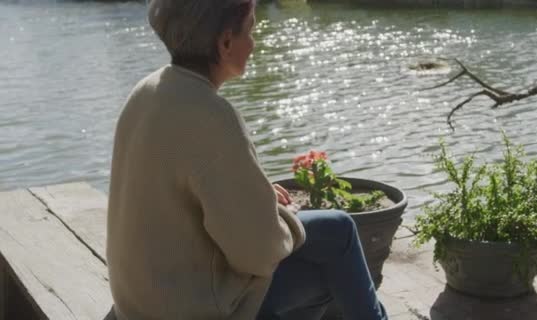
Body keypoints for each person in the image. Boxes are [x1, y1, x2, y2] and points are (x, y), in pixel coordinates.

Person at [106, 0, 388, 319]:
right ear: (226, 42)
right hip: (189, 309)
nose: (254, 44)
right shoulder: (213, 116)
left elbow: (182, 187)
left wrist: (257, 194)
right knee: (337, 239)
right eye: (251, 29)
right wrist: (282, 213)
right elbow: (258, 255)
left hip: (140, 300)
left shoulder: (148, 90)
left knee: (334, 237)